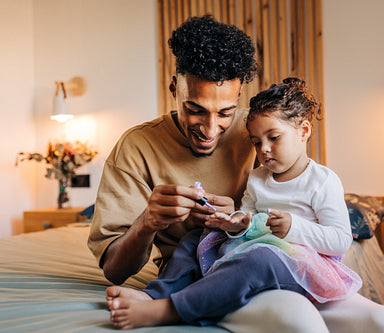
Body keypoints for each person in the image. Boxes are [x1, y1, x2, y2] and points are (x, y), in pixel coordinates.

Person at [89, 14, 384, 333]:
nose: (210, 128)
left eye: (225, 112)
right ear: (175, 89)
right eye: (195, 109)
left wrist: (260, 222)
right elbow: (114, 269)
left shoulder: (258, 128)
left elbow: (332, 233)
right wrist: (151, 221)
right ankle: (160, 301)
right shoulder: (135, 148)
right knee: (299, 320)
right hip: (219, 263)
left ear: (239, 98)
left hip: (282, 261)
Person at [105, 78, 362, 329]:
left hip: (295, 263)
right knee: (196, 237)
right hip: (254, 248)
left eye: (274, 138)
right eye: (257, 142)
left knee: (261, 260)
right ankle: (157, 293)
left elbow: (340, 241)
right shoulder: (259, 176)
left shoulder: (322, 181)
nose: (264, 150)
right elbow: (247, 215)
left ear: (304, 131)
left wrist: (294, 227)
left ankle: (171, 310)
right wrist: (234, 224)